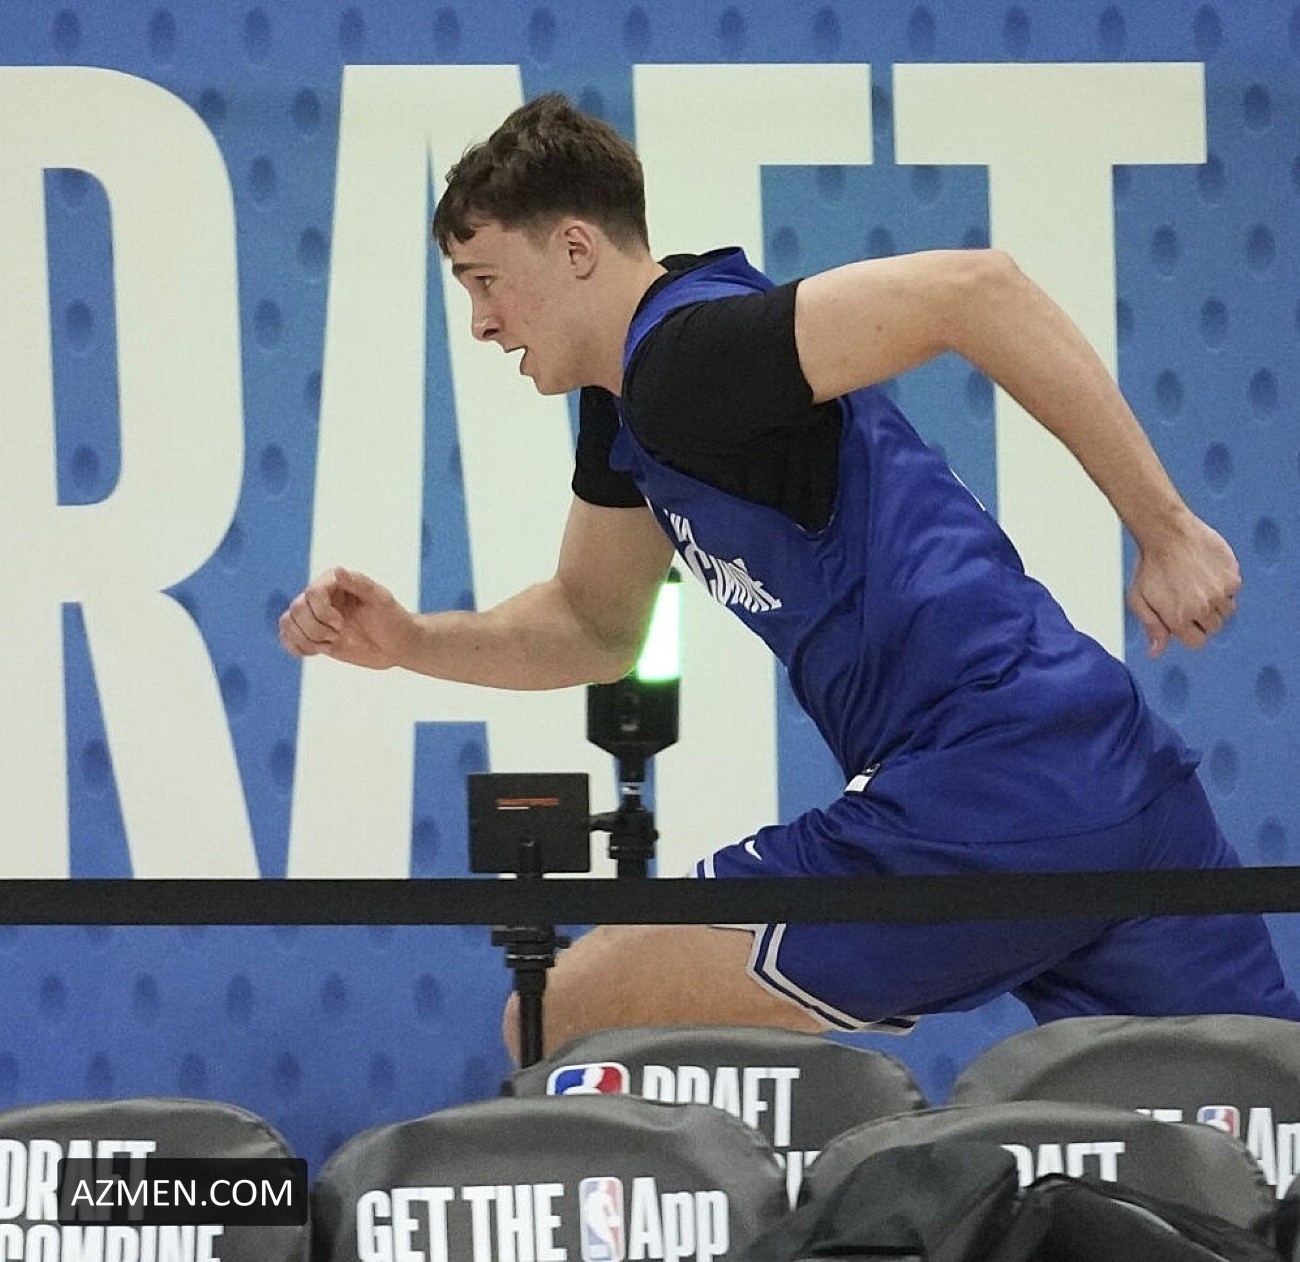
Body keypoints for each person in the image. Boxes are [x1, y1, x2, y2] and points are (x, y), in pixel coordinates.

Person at [279, 94, 1300, 1059]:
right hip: (1108, 768)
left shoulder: (686, 361)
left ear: (576, 249)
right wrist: (411, 642)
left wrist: (1166, 529)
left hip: (985, 786)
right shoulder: (631, 403)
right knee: (1258, 1119)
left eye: (485, 280)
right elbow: (591, 622)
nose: (481, 323)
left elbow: (974, 290)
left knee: (557, 1019)